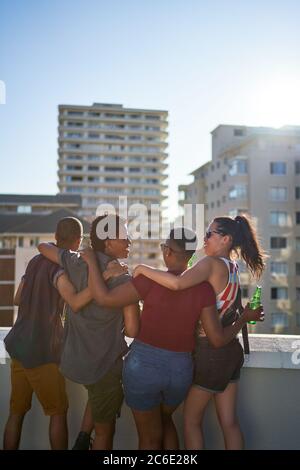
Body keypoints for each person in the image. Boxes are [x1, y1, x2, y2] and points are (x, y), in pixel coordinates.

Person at [80, 226, 263, 450]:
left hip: (144, 367)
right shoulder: (204, 289)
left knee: (148, 438)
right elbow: (215, 336)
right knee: (166, 422)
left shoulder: (149, 280)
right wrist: (243, 319)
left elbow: (104, 298)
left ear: (166, 251)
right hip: (180, 369)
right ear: (191, 255)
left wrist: (90, 262)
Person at [132, 215, 266, 449]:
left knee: (192, 422)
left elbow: (176, 284)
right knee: (230, 423)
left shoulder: (211, 264)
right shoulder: (232, 266)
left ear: (225, 239)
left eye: (209, 234)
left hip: (210, 354)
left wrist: (142, 269)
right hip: (231, 353)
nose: (204, 239)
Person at [37, 214, 140, 450]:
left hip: (74, 359)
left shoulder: (75, 261)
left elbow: (43, 247)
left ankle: (83, 436)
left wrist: (88, 257)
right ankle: (87, 438)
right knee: (105, 433)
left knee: (97, 396)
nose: (129, 242)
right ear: (108, 242)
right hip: (103, 365)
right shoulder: (124, 280)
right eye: (124, 237)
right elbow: (133, 329)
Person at [3, 217, 93, 450]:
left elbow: (16, 299)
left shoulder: (34, 261)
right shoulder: (62, 269)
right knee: (58, 412)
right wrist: (99, 284)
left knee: (16, 413)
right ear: (77, 241)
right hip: (42, 351)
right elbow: (74, 302)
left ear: (55, 236)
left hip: (18, 346)